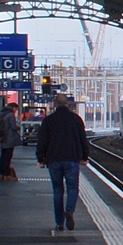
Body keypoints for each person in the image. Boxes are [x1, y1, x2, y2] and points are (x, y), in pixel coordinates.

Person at [36, 94, 90, 234]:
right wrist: (84, 157)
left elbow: (42, 141)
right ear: (67, 104)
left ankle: (59, 223)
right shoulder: (76, 119)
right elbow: (83, 140)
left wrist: (40, 158)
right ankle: (69, 210)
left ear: (55, 104)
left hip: (54, 160)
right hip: (71, 159)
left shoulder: (48, 120)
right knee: (73, 188)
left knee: (58, 190)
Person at [0, 103, 22, 180]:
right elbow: (13, 127)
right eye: (16, 109)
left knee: (3, 156)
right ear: (13, 107)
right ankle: (7, 174)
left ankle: (2, 173)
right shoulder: (10, 115)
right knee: (8, 157)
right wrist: (19, 127)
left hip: (2, 138)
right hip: (9, 138)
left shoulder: (1, 114)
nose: (16, 111)